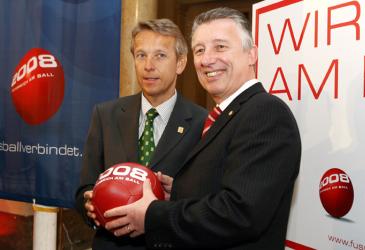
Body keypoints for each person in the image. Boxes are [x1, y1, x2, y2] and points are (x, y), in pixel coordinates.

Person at [103, 7, 302, 249]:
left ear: (252, 54)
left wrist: (153, 214)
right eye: (200, 50)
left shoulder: (266, 113)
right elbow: (225, 188)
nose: (207, 59)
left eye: (220, 47)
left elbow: (240, 214)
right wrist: (177, 192)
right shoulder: (226, 115)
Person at [74, 18, 207, 250]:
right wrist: (89, 206)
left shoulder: (202, 123)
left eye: (160, 56)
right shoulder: (105, 115)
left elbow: (207, 201)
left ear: (181, 63)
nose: (148, 66)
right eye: (141, 55)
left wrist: (177, 193)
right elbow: (84, 188)